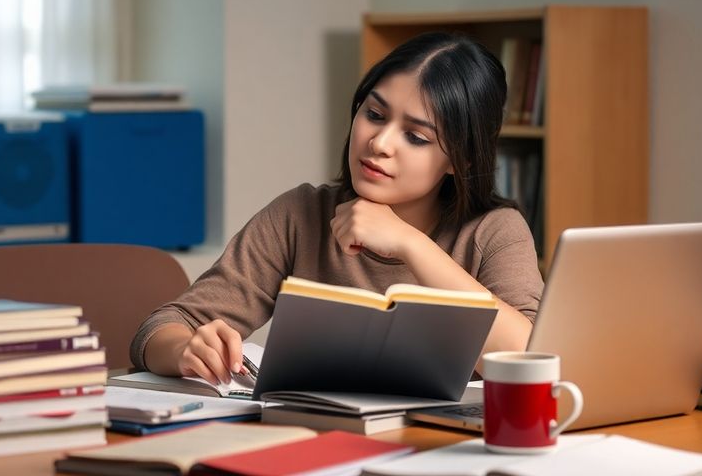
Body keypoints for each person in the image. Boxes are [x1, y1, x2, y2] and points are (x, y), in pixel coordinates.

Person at [130, 32, 543, 386]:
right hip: (317, 438)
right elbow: (159, 329)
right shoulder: (301, 214)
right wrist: (186, 348)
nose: (379, 143)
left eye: (416, 137)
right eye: (374, 114)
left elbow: (530, 356)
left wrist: (409, 244)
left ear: (462, 160)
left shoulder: (495, 231)